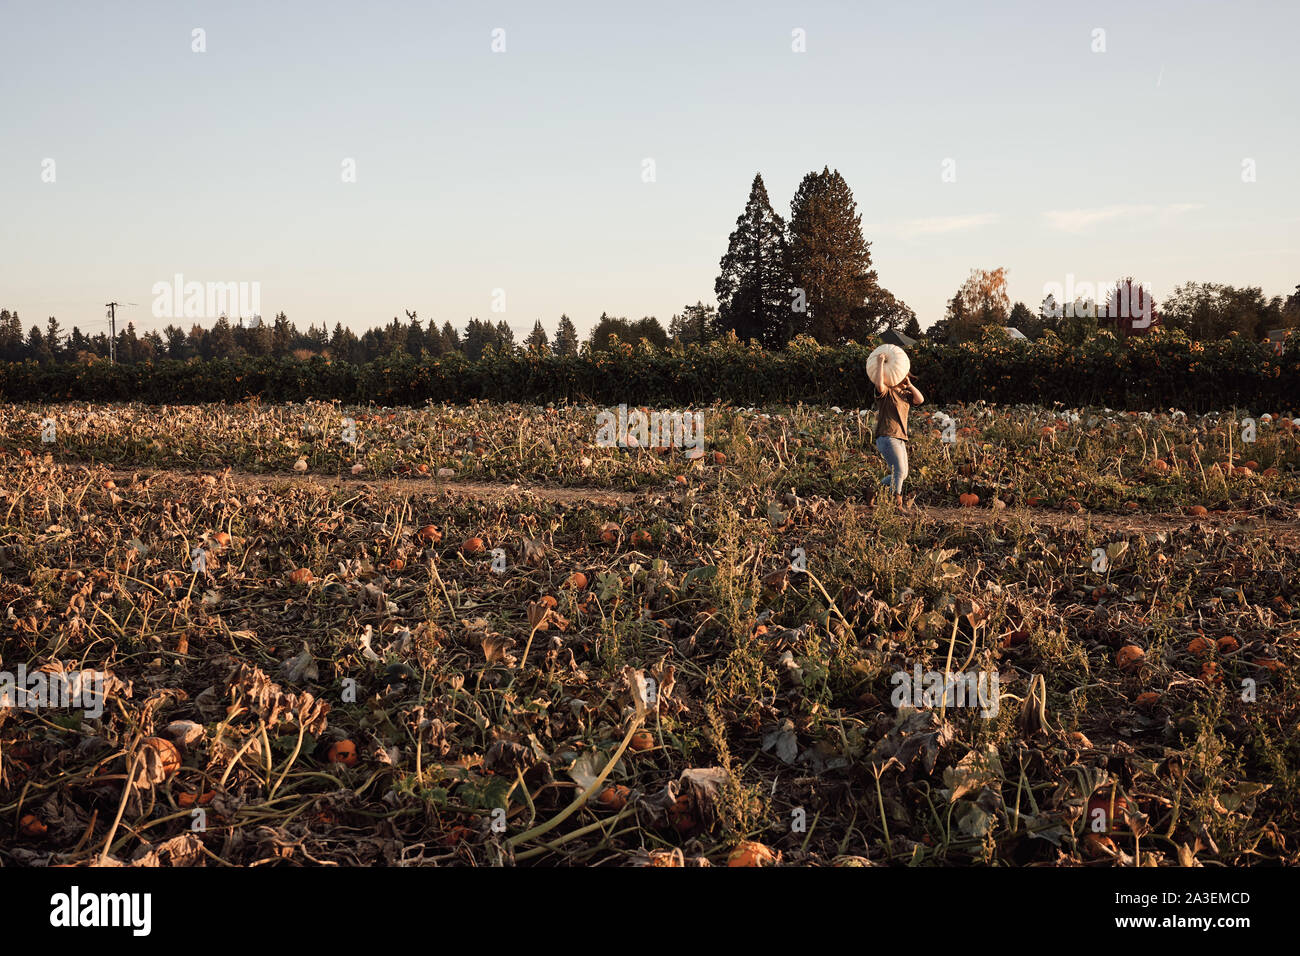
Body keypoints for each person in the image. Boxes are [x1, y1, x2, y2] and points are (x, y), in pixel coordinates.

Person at [872, 351, 924, 510]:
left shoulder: (906, 394)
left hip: (900, 437)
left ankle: (872, 491)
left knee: (903, 474)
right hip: (887, 435)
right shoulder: (886, 392)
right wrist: (880, 363)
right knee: (899, 471)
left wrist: (909, 385)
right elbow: (879, 384)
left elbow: (920, 400)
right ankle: (898, 505)